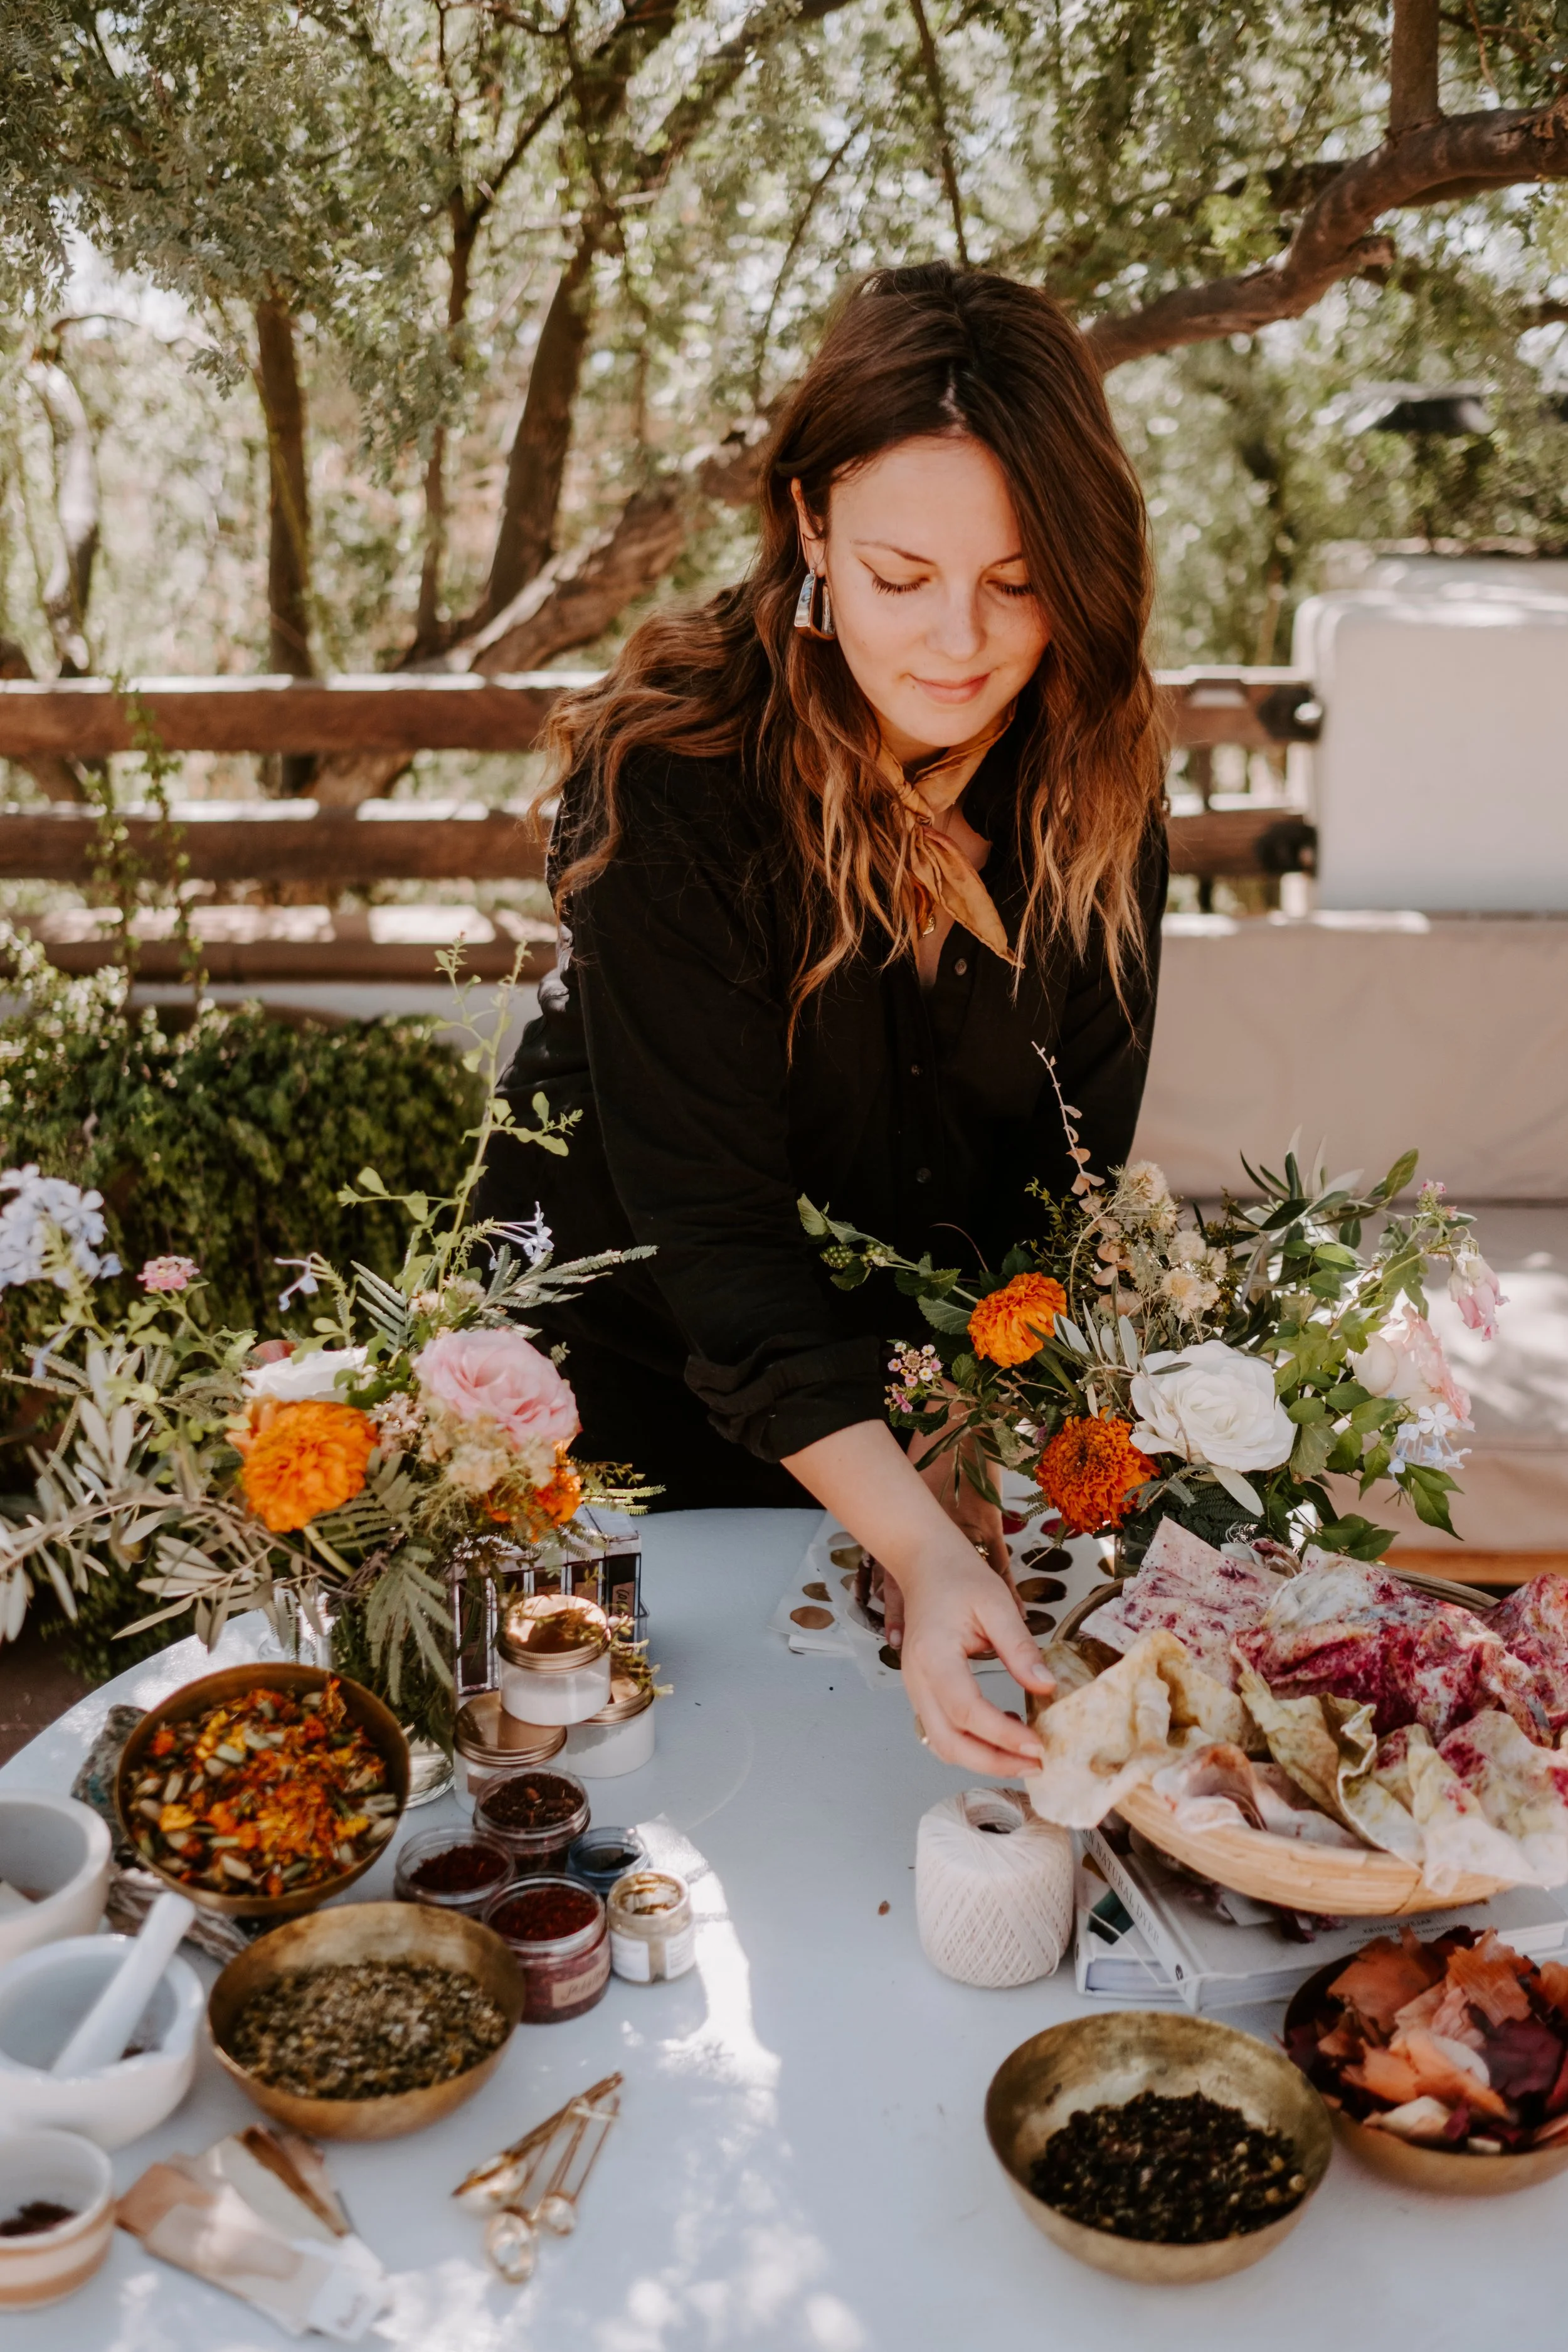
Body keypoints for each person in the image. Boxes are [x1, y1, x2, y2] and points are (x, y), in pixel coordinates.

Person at [475, 262, 1167, 1777]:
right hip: (625, 1397)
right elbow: (713, 1237)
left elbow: (1067, 1174)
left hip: (896, 1432)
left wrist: (963, 1448)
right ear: (807, 528)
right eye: (896, 575)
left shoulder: (1098, 786)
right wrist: (918, 1547)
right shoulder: (676, 778)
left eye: (1017, 578)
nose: (957, 645)